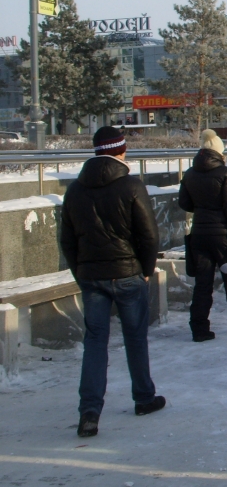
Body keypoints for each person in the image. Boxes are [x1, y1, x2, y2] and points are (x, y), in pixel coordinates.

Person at [60, 127, 165, 438]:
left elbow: (67, 240)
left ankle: (89, 412)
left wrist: (81, 274)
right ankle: (144, 397)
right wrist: (145, 269)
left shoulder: (75, 190)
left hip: (92, 277)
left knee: (94, 343)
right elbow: (148, 235)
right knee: (135, 338)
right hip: (129, 273)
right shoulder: (131, 185)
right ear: (121, 151)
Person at [180, 129, 227, 342]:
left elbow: (184, 203)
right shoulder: (224, 173)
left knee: (202, 284)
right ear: (219, 152)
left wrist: (202, 207)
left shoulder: (190, 173)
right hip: (223, 236)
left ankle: (199, 329)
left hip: (199, 235)